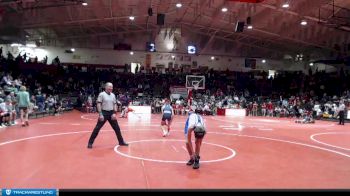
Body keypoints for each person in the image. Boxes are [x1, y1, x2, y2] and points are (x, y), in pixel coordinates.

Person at [87, 82, 128, 149]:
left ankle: (121, 141)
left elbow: (115, 104)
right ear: (105, 87)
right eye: (109, 87)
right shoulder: (101, 94)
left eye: (112, 87)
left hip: (111, 113)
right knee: (97, 128)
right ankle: (90, 143)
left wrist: (114, 113)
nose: (111, 88)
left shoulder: (113, 95)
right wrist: (100, 114)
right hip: (104, 113)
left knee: (117, 128)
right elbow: (99, 104)